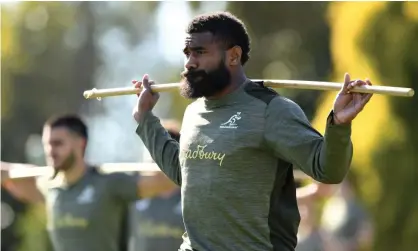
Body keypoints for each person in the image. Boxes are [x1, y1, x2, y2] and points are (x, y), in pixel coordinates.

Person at [132, 11, 373, 251]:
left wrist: (338, 125)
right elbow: (185, 174)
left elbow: (327, 170)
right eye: (187, 53)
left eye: (200, 52)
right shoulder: (193, 112)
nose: (189, 63)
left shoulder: (271, 110)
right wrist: (145, 120)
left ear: (234, 56)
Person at [1, 114, 177, 251]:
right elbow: (10, 175)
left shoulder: (109, 183)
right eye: (47, 144)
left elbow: (167, 179)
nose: (50, 151)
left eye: (58, 144)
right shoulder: (50, 186)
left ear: (80, 143)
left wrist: (190, 161)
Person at [129, 120, 184, 251]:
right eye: (148, 160)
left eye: (155, 160)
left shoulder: (193, 203)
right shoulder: (132, 201)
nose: (150, 167)